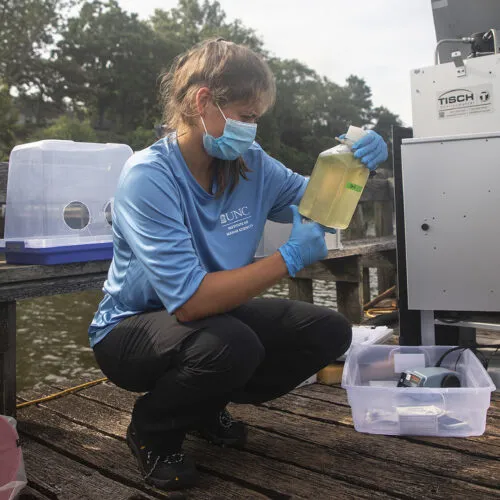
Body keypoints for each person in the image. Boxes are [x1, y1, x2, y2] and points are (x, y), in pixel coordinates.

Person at [89, 38, 388, 491]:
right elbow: (188, 303)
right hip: (132, 328)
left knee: (329, 331)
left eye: (256, 119)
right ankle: (153, 428)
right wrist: (286, 259)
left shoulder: (250, 163)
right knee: (232, 345)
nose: (251, 129)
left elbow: (316, 201)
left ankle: (203, 406)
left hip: (212, 316)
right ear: (202, 101)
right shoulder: (148, 177)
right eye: (246, 116)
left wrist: (357, 163)